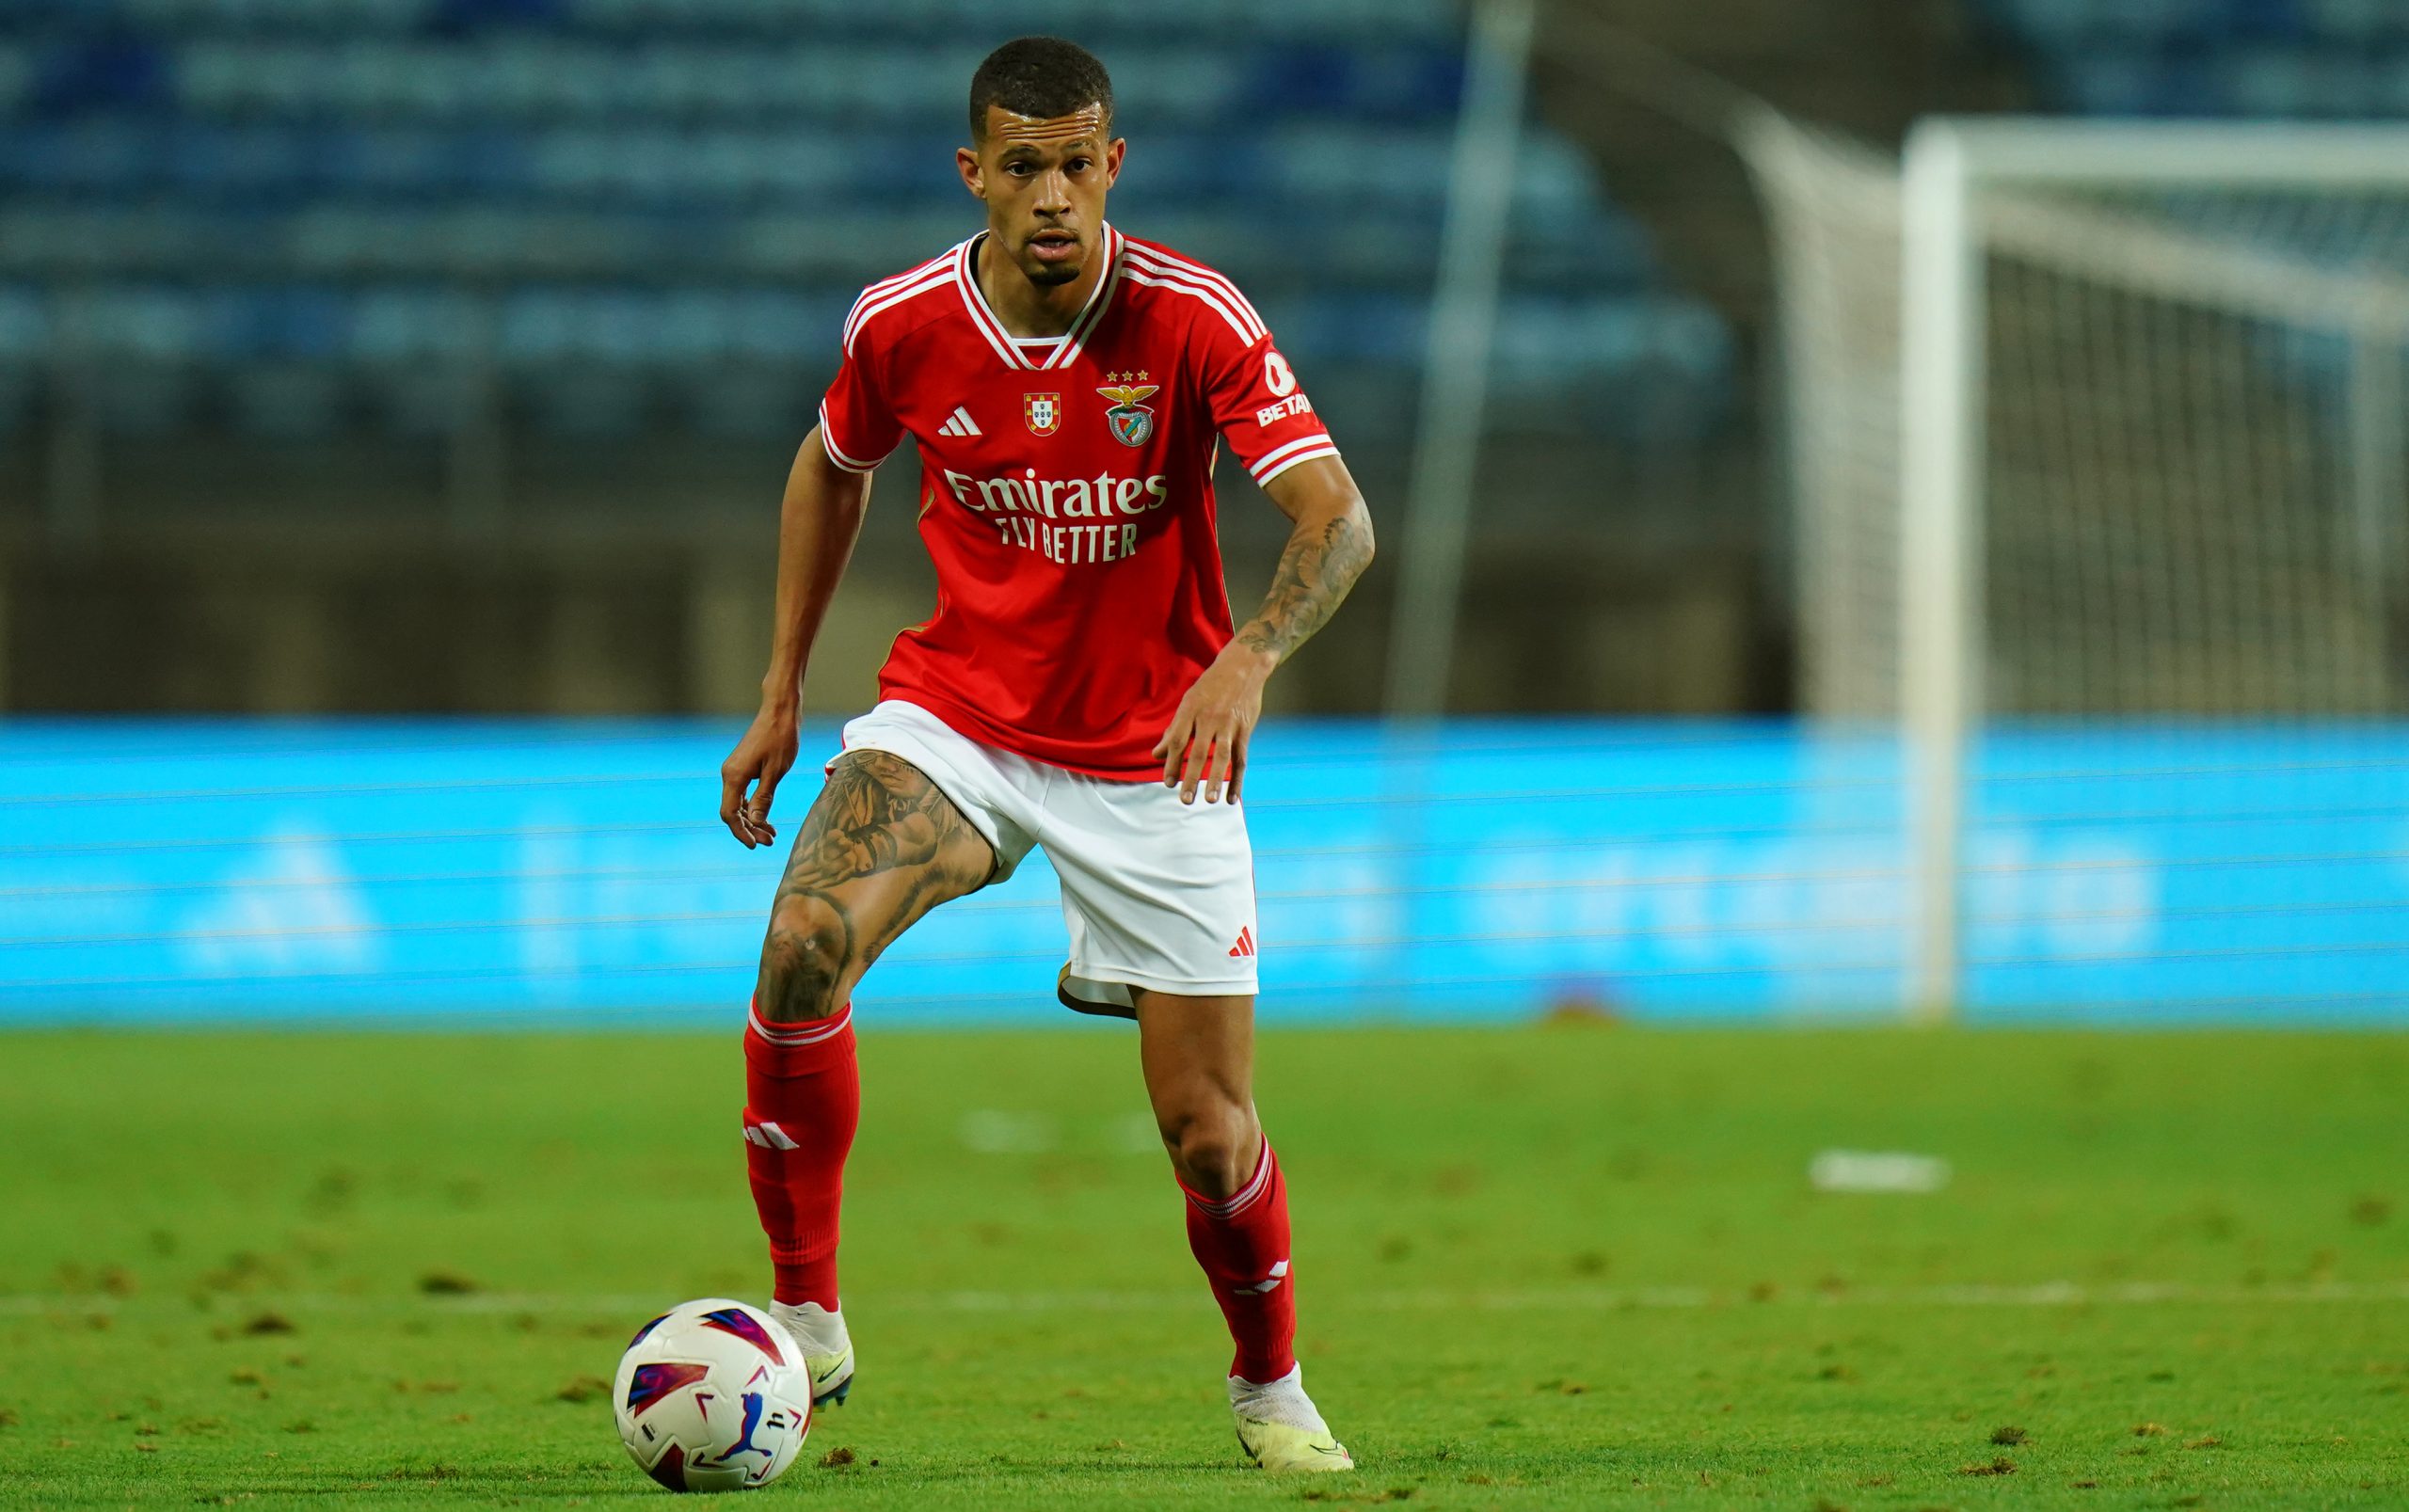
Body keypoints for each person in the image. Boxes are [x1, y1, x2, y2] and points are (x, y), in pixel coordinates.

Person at [715, 35, 1373, 1473]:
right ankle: (808, 1314)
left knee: (1209, 1132)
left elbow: (1339, 519)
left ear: (1113, 165)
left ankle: (1268, 1384)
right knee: (802, 942)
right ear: (978, 176)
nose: (1056, 194)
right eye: (1025, 167)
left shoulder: (1193, 317)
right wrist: (781, 689)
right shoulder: (902, 324)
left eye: (1079, 163)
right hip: (961, 720)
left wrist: (1247, 657)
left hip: (1155, 757)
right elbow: (833, 466)